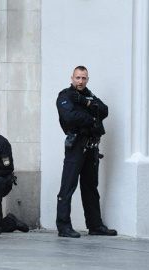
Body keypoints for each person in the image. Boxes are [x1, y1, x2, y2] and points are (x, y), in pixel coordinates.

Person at [55, 66, 117, 238]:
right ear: (72, 78)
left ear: (87, 79)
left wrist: (87, 103)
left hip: (91, 147)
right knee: (67, 187)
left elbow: (104, 110)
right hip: (75, 146)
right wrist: (91, 119)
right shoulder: (65, 96)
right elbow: (70, 117)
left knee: (90, 187)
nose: (80, 81)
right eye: (78, 78)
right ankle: (63, 226)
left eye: (83, 78)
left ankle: (95, 225)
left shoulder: (89, 95)